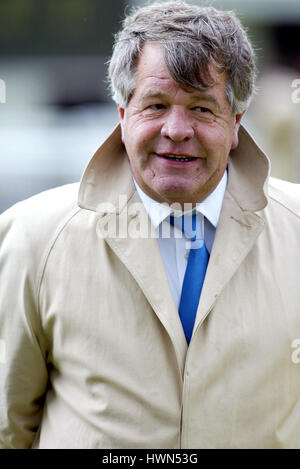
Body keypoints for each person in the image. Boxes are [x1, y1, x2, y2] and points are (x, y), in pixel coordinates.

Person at [0, 1, 300, 450]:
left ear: (236, 123)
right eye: (156, 105)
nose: (176, 130)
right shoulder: (33, 237)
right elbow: (8, 424)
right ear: (123, 116)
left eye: (201, 109)